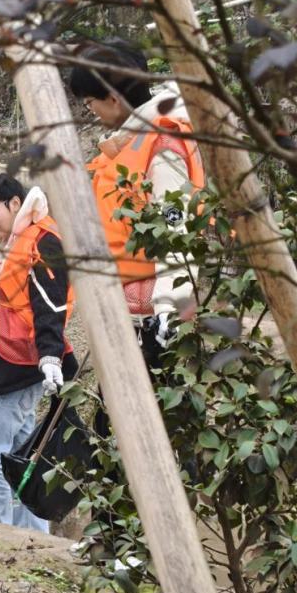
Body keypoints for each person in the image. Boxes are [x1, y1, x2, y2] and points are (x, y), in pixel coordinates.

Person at [68, 40, 206, 368]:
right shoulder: (130, 144)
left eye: (90, 103)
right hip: (125, 312)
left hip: (151, 322)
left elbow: (176, 230)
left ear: (113, 99)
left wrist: (168, 310)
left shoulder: (162, 148)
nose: (91, 111)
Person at [0, 174, 75, 532]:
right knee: (20, 456)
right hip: (1, 357)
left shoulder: (42, 241)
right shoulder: (5, 244)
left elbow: (51, 305)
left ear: (14, 203)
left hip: (21, 362)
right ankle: (33, 540)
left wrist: (50, 356)